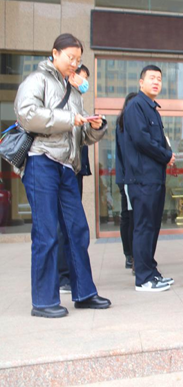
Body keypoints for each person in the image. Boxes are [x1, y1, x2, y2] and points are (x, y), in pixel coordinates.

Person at [15, 33, 111, 318]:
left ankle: (84, 293)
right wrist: (70, 119)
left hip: (67, 165)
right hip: (41, 161)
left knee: (77, 229)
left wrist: (95, 127)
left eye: (78, 59)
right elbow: (26, 114)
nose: (74, 64)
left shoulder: (74, 90)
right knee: (46, 232)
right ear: (55, 53)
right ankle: (44, 300)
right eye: (71, 57)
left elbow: (79, 134)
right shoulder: (37, 80)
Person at [122, 65, 176, 292]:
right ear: (141, 82)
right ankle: (143, 278)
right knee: (144, 227)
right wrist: (166, 155)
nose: (156, 82)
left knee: (152, 226)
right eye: (152, 78)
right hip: (142, 179)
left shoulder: (152, 108)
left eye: (159, 79)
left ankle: (151, 272)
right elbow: (142, 140)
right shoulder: (136, 106)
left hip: (154, 178)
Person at [57, 64, 93, 294]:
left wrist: (94, 126)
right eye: (82, 77)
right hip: (62, 168)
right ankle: (63, 277)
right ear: (71, 76)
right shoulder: (60, 99)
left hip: (75, 170)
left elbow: (83, 138)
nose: (84, 82)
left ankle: (72, 275)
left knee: (74, 226)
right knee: (62, 226)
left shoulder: (78, 102)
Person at [115, 92, 138, 272]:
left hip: (127, 178)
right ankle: (131, 255)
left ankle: (131, 255)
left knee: (129, 217)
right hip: (128, 178)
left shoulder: (124, 123)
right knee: (130, 218)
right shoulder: (124, 124)